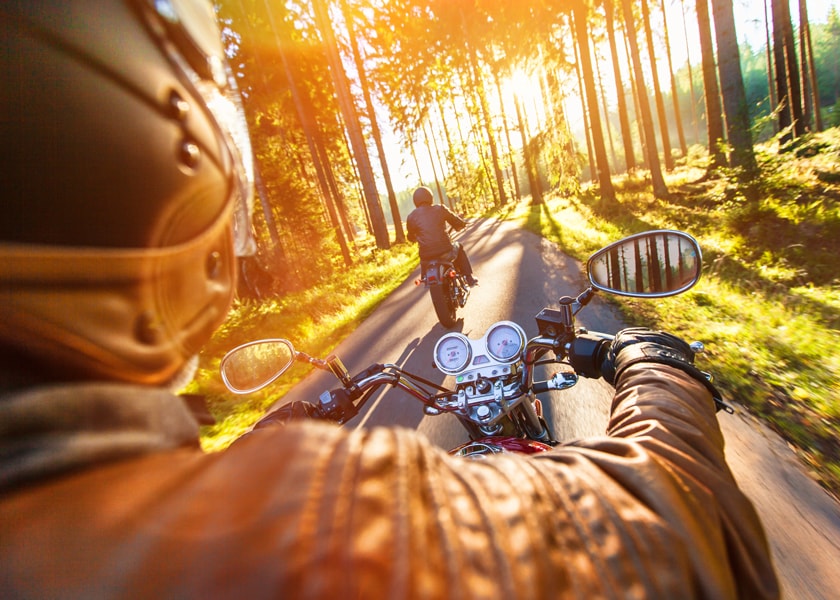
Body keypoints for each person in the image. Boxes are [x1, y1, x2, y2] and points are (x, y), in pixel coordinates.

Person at [0, 2, 779, 598]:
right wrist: (655, 361)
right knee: (458, 259)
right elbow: (679, 524)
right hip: (456, 273)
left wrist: (291, 416)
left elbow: (430, 237)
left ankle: (455, 284)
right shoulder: (282, 530)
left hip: (430, 265)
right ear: (176, 152)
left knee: (453, 260)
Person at [406, 186, 478, 287]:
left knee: (425, 271)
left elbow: (410, 237)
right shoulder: (440, 209)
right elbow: (456, 221)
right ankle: (469, 278)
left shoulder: (411, 217)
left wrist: (414, 238)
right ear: (430, 197)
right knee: (459, 246)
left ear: (415, 201)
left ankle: (426, 278)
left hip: (426, 257)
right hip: (445, 251)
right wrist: (461, 223)